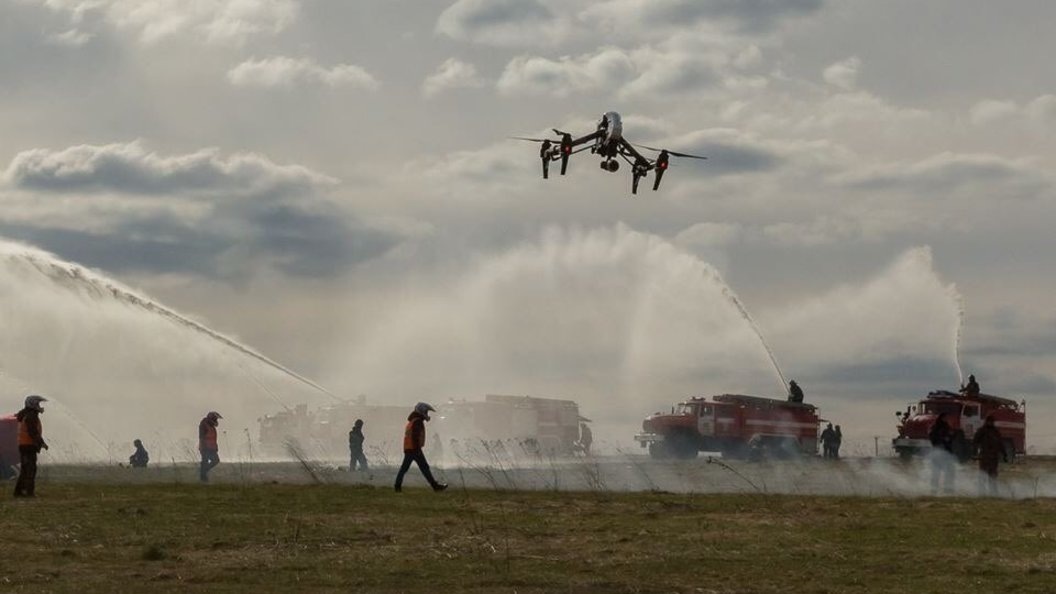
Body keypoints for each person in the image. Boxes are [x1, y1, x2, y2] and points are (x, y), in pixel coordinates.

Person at [394, 402, 447, 493]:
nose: (427, 414)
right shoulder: (417, 421)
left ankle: (397, 486)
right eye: (426, 412)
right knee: (423, 467)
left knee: (407, 468)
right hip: (414, 449)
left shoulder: (413, 420)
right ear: (422, 411)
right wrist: (417, 449)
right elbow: (415, 436)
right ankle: (435, 487)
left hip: (409, 448)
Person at [14, 395, 48, 498]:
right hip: (28, 446)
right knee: (30, 470)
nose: (39, 406)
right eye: (37, 403)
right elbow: (33, 432)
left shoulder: (26, 415)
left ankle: (18, 492)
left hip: (24, 445)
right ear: (32, 404)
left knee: (25, 470)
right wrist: (41, 443)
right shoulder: (31, 416)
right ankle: (29, 493)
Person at [973, 415, 1004, 496]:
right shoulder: (982, 431)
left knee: (993, 476)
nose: (990, 423)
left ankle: (993, 493)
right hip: (985, 456)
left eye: (992, 421)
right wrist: (974, 452)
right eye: (989, 421)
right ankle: (981, 492)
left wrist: (1004, 454)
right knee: (983, 475)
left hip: (994, 457)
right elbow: (975, 441)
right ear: (986, 422)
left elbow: (1000, 443)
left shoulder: (996, 432)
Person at [928, 412, 956, 494]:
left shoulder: (947, 427)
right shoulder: (935, 427)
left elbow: (951, 438)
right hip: (938, 452)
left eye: (946, 418)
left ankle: (948, 489)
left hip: (947, 453)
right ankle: (934, 489)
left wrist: (950, 437)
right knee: (936, 472)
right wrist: (942, 441)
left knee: (950, 471)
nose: (946, 419)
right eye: (944, 418)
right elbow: (932, 438)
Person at [198, 411, 222, 483]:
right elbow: (201, 437)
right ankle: (203, 478)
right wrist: (202, 447)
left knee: (215, 461)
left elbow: (213, 438)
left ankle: (203, 473)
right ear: (212, 418)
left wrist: (216, 447)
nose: (216, 421)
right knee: (205, 462)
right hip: (205, 447)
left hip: (212, 448)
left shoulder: (211, 426)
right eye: (215, 419)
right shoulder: (204, 425)